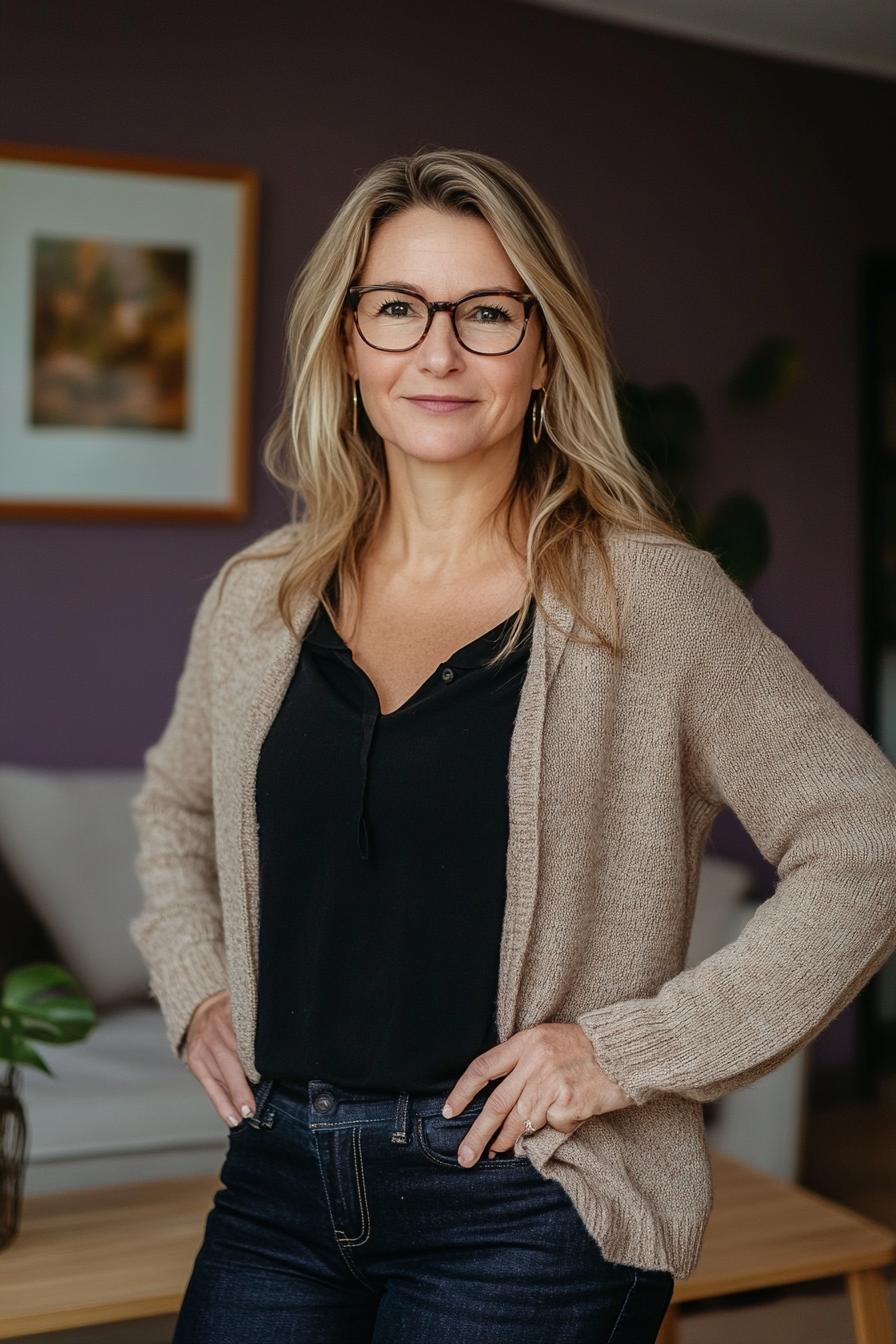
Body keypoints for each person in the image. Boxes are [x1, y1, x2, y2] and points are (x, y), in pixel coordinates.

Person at [132, 149, 896, 1344]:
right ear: (346, 343)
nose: (436, 352)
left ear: (542, 351)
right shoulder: (256, 600)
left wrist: (626, 1052)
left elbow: (867, 835)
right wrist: (195, 986)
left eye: (485, 313)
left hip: (526, 1203)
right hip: (277, 1182)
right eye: (397, 309)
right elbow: (172, 810)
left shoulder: (649, 600)